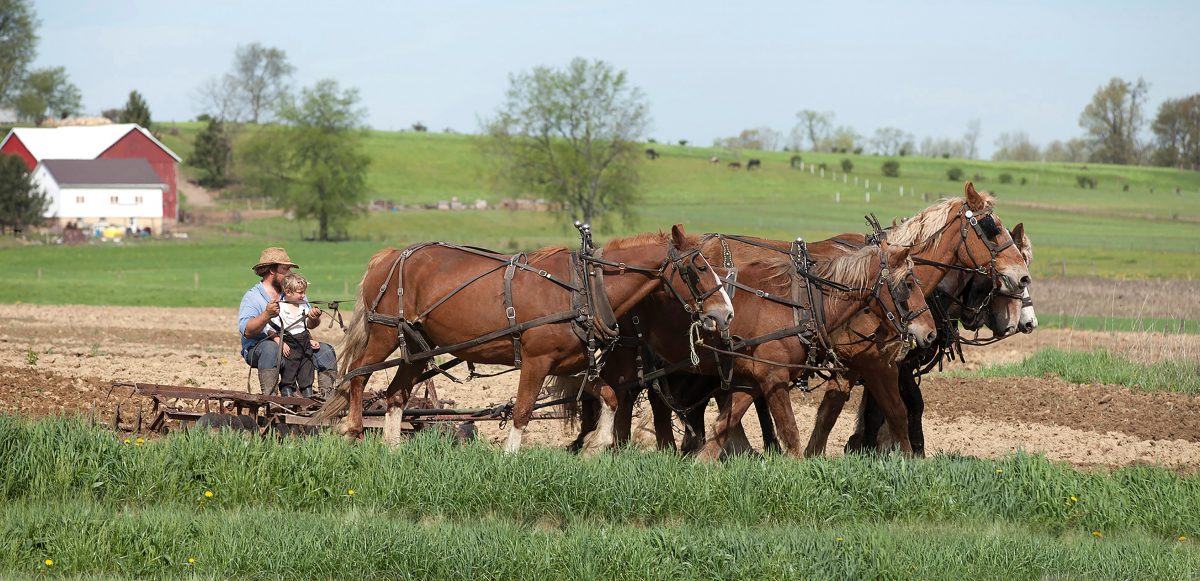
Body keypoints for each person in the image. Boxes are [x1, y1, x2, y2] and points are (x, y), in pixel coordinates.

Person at [238, 247, 337, 397]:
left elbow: (309, 325)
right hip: (260, 347)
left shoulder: (294, 292)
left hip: (295, 343)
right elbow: (247, 331)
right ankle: (271, 400)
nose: (289, 274)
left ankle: (326, 400)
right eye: (285, 269)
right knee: (271, 349)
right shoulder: (253, 297)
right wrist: (266, 315)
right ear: (271, 270)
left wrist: (314, 318)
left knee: (325, 351)